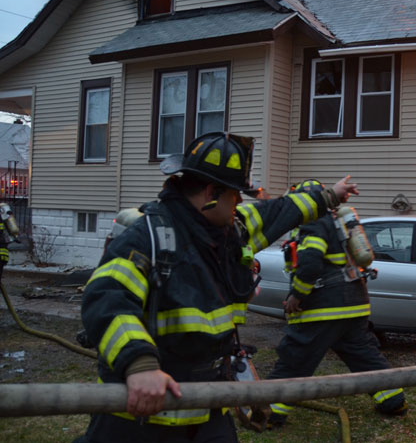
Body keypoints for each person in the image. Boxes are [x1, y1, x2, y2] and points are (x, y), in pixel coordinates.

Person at [76, 132, 358, 443]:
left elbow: (279, 211)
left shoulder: (229, 229)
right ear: (212, 192)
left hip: (207, 408)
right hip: (139, 417)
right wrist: (139, 364)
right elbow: (107, 297)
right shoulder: (148, 238)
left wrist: (330, 195)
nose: (240, 201)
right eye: (236, 194)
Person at [265, 179, 407, 430]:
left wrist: (297, 295)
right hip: (355, 303)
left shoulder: (313, 222)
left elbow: (310, 262)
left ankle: (269, 411)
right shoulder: (338, 222)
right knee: (363, 354)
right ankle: (392, 399)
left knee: (295, 357)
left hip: (323, 308)